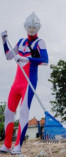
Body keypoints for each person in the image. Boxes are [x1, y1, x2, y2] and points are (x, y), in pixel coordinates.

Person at [0, 12, 48, 155]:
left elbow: (45, 60)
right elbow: (9, 56)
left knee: (23, 112)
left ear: (38, 28)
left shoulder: (40, 43)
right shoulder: (21, 42)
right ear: (26, 27)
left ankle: (18, 146)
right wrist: (3, 41)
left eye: (34, 27)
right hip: (17, 83)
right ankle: (7, 145)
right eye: (29, 27)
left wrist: (27, 58)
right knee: (8, 112)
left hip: (29, 82)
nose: (31, 29)